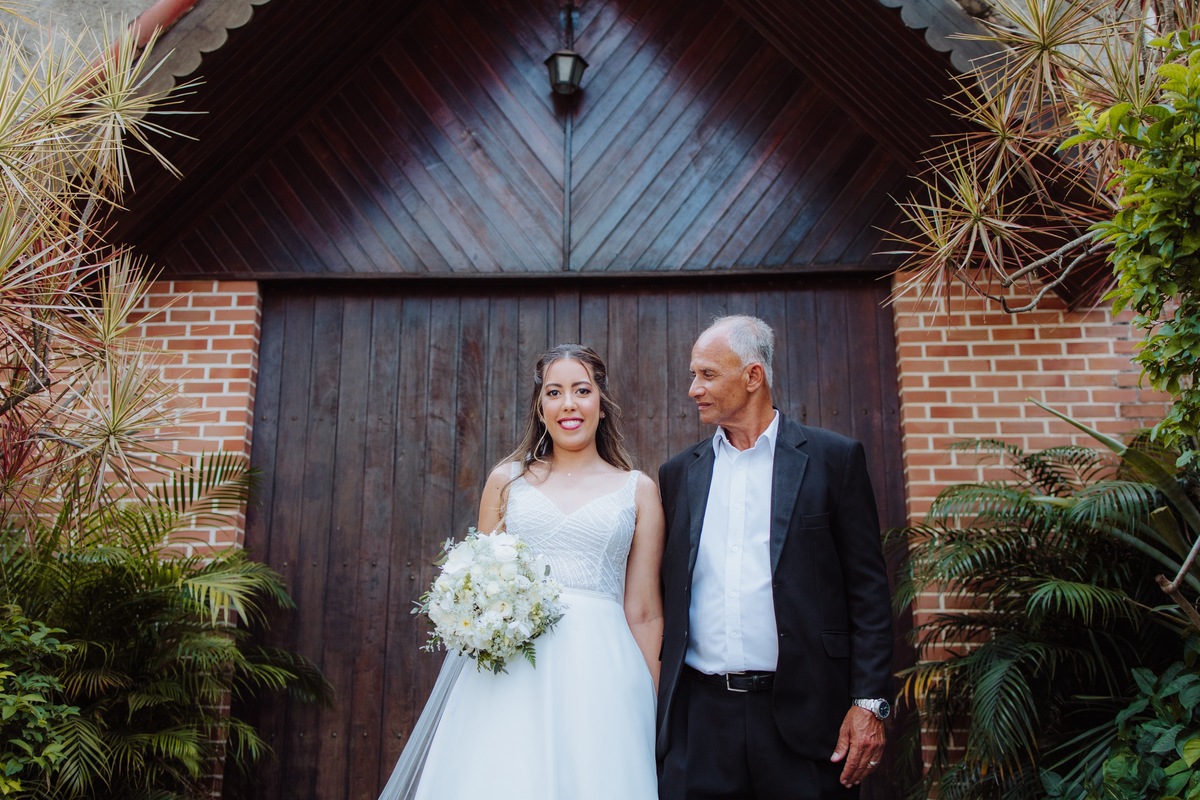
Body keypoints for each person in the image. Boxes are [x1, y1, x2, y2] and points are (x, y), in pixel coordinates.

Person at [378, 343, 665, 800]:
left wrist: (652, 701)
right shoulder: (506, 481)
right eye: (554, 392)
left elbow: (646, 611)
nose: (568, 403)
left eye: (581, 390)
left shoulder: (638, 490)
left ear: (601, 404)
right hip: (513, 674)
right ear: (540, 405)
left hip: (605, 675)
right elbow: (479, 580)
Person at [656, 315, 894, 799]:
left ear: (752, 376)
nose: (692, 389)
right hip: (701, 722)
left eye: (706, 374)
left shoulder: (833, 460)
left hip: (806, 719)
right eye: (692, 375)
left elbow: (868, 592)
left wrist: (869, 703)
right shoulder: (678, 475)